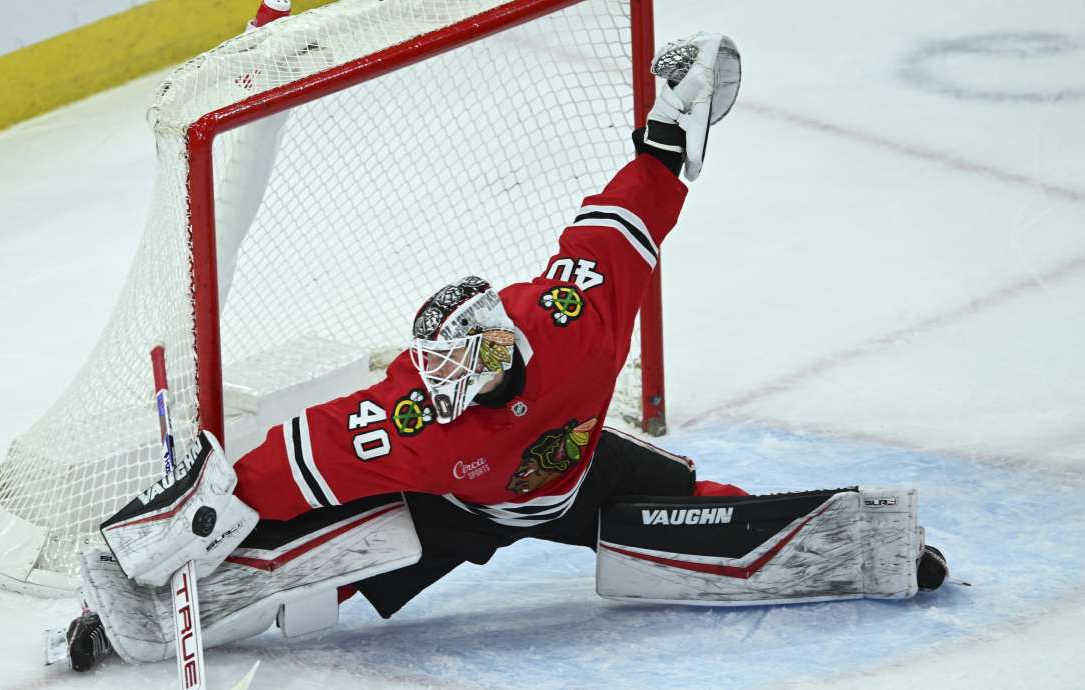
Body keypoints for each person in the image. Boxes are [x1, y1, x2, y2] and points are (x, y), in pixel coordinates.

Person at [66, 31, 952, 672]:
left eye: (456, 366)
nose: (436, 382)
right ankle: (123, 620)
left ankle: (865, 550)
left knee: (703, 519)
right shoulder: (411, 417)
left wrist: (670, 134)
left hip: (575, 479)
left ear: (498, 345)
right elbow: (287, 470)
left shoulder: (570, 321)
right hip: (459, 509)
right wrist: (204, 513)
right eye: (434, 369)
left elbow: (626, 222)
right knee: (319, 572)